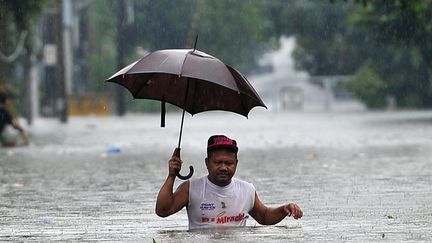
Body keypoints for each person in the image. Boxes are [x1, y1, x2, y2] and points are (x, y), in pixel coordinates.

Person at [156, 135, 303, 230]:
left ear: (236, 163)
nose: (223, 168)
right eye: (218, 162)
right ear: (207, 163)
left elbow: (264, 216)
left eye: (229, 163)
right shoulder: (191, 188)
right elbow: (162, 211)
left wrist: (284, 209)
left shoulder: (247, 190)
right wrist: (171, 176)